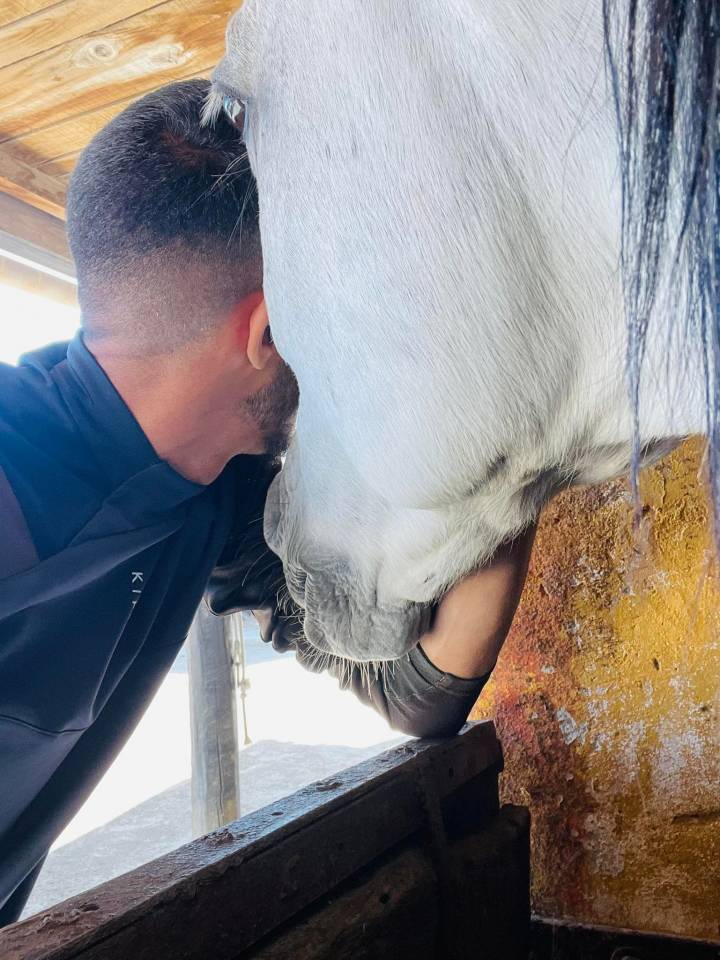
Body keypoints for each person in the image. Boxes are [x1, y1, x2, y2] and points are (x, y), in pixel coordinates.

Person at [0, 79, 534, 926]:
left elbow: (416, 692)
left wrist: (512, 445)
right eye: (347, 314)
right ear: (272, 329)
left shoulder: (213, 497)